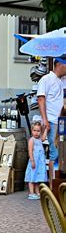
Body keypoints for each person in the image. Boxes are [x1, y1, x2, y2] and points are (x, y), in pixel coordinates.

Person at [37, 55, 66, 184]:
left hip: (61, 121)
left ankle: (59, 179)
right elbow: (41, 99)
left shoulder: (62, 80)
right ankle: (53, 182)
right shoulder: (46, 79)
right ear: (61, 65)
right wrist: (45, 121)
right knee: (55, 153)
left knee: (62, 150)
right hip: (53, 121)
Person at [24, 121, 48, 200]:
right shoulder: (32, 140)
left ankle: (37, 192)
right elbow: (30, 151)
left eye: (38, 131)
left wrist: (46, 130)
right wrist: (32, 161)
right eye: (34, 131)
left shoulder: (39, 139)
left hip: (39, 162)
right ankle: (31, 193)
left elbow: (44, 138)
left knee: (37, 178)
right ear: (31, 131)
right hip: (34, 161)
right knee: (32, 177)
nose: (36, 133)